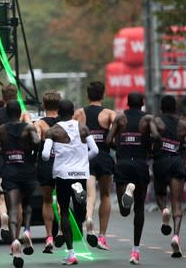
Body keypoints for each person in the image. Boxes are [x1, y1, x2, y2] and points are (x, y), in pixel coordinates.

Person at [42, 99, 99, 265]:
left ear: (58, 112)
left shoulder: (53, 131)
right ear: (73, 111)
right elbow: (95, 150)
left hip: (63, 174)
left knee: (65, 212)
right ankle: (82, 213)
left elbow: (45, 155)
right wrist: (82, 160)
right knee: (79, 210)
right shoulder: (83, 127)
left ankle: (71, 254)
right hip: (81, 172)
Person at [105, 92, 159, 264]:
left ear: (127, 103)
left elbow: (108, 140)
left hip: (123, 163)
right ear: (142, 103)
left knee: (124, 211)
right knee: (139, 208)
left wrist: (120, 147)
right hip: (141, 164)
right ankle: (135, 251)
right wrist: (150, 148)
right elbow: (157, 136)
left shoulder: (120, 119)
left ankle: (126, 195)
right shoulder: (147, 119)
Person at [0, 100, 40, 268]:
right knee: (26, 206)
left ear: (6, 113)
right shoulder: (28, 128)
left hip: (9, 173)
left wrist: (4, 152)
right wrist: (32, 157)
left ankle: (15, 243)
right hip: (27, 172)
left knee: (13, 209)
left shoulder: (1, 130)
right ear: (20, 113)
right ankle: (27, 230)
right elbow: (37, 142)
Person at [153, 95, 186, 258]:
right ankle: (176, 237)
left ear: (161, 108)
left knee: (160, 195)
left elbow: (150, 140)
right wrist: (179, 146)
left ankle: (164, 210)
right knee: (177, 203)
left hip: (160, 162)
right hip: (176, 162)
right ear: (175, 108)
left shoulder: (156, 122)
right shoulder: (184, 125)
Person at [0, 83, 31, 242]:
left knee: (2, 195)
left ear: (3, 97)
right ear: (17, 95)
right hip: (19, 158)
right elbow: (33, 131)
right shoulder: (24, 115)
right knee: (17, 201)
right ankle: (16, 235)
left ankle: (3, 216)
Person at [73, 81, 116, 250]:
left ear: (87, 95)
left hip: (86, 158)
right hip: (104, 157)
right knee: (105, 195)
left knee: (90, 195)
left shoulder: (79, 114)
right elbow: (117, 127)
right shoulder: (108, 113)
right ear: (103, 95)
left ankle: (89, 217)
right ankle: (102, 236)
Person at [34, 90, 62, 253]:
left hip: (46, 164)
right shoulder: (65, 123)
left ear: (44, 105)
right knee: (61, 199)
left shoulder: (40, 124)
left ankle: (49, 236)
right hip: (63, 163)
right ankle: (61, 231)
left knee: (46, 200)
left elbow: (36, 140)